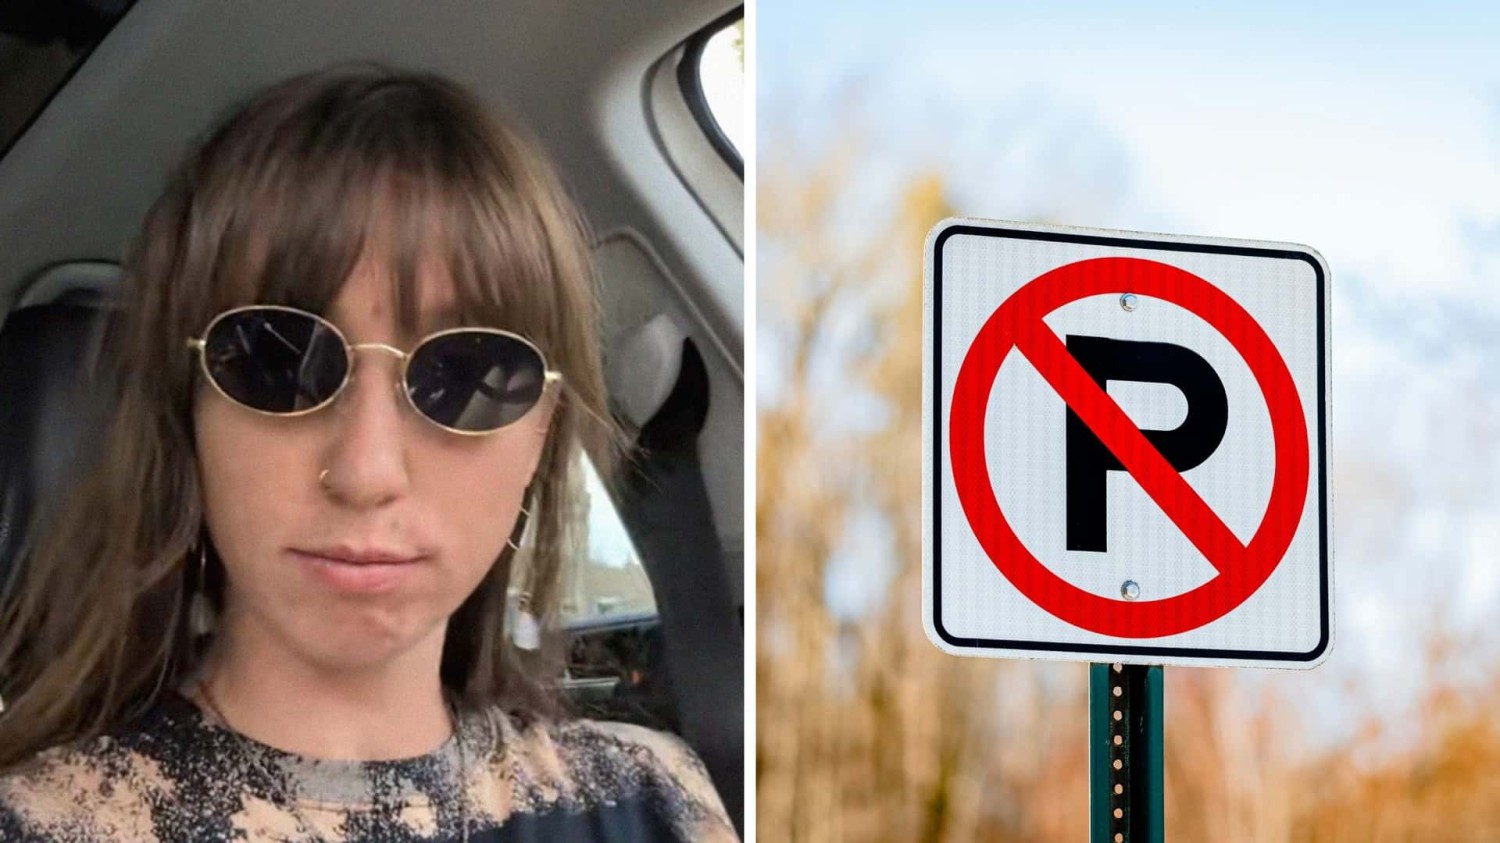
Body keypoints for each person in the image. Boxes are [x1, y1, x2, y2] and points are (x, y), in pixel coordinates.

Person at [0, 62, 737, 842]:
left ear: (541, 433)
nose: (367, 471)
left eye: (470, 376)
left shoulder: (659, 798)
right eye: (276, 362)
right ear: (190, 412)